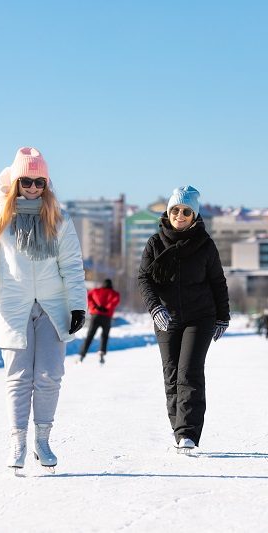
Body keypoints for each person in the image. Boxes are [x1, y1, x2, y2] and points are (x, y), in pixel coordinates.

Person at [0, 146, 86, 474]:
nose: (33, 188)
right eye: (26, 181)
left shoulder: (59, 218)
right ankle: (18, 441)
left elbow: (72, 265)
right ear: (15, 182)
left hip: (53, 307)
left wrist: (78, 305)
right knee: (18, 378)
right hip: (14, 308)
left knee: (50, 376)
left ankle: (42, 439)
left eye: (39, 182)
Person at [138, 185, 230, 453]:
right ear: (169, 212)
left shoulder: (205, 244)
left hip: (200, 317)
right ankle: (178, 427)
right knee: (171, 373)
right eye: (175, 210)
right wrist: (155, 308)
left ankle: (187, 433)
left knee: (188, 371)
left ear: (194, 216)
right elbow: (144, 279)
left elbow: (217, 281)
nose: (180, 215)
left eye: (186, 211)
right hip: (166, 317)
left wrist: (223, 315)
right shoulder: (155, 243)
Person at [78, 279, 121, 364]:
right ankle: (101, 351)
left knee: (90, 335)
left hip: (95, 316)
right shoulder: (115, 293)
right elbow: (115, 301)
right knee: (104, 336)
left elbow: (88, 298)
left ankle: (82, 355)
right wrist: (106, 308)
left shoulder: (95, 291)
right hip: (107, 317)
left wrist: (95, 307)